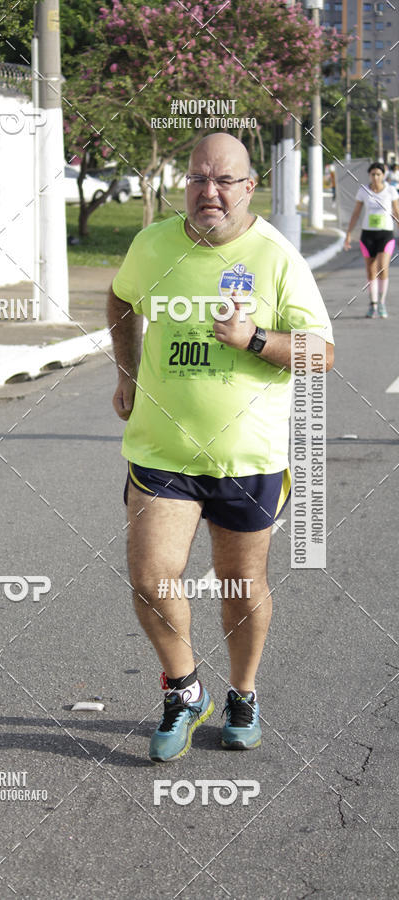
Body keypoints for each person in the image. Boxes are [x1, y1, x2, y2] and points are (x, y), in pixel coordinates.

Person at [107, 133, 334, 763]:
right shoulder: (154, 243)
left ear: (248, 186)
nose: (210, 192)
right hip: (162, 451)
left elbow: (322, 353)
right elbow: (122, 298)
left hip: (248, 459)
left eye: (225, 180)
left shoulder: (277, 257)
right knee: (153, 578)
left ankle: (243, 693)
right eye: (199, 179)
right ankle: (184, 690)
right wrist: (126, 372)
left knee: (239, 584)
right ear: (185, 185)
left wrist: (256, 338)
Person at [344, 162, 399, 319]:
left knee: (383, 267)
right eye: (373, 174)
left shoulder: (391, 191)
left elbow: (396, 211)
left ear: (384, 175)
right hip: (368, 235)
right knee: (371, 271)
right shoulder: (363, 191)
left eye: (378, 174)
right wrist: (348, 233)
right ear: (369, 175)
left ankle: (382, 302)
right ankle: (373, 304)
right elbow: (356, 213)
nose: (375, 177)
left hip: (386, 235)